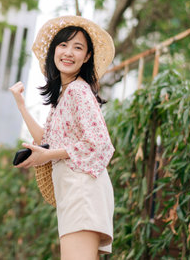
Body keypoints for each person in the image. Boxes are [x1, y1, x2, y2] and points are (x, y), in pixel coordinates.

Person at [9, 15, 116, 259]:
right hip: (73, 191)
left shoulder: (79, 89)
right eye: (63, 45)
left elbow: (100, 144)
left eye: (78, 47)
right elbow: (45, 140)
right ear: (53, 51)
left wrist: (48, 155)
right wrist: (21, 106)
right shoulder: (63, 96)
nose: (69, 52)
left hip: (83, 191)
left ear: (87, 56)